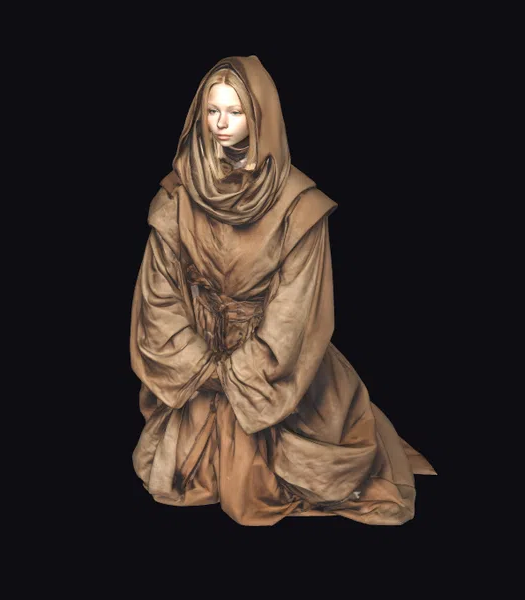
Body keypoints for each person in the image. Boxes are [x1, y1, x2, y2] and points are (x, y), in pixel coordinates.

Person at [130, 55, 436, 526]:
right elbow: (159, 297)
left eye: (235, 112)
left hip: (272, 370)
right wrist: (201, 366)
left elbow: (296, 314)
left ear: (261, 117)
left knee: (282, 476)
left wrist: (239, 375)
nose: (221, 124)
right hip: (198, 363)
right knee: (176, 474)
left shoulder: (298, 205)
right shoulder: (176, 196)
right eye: (212, 111)